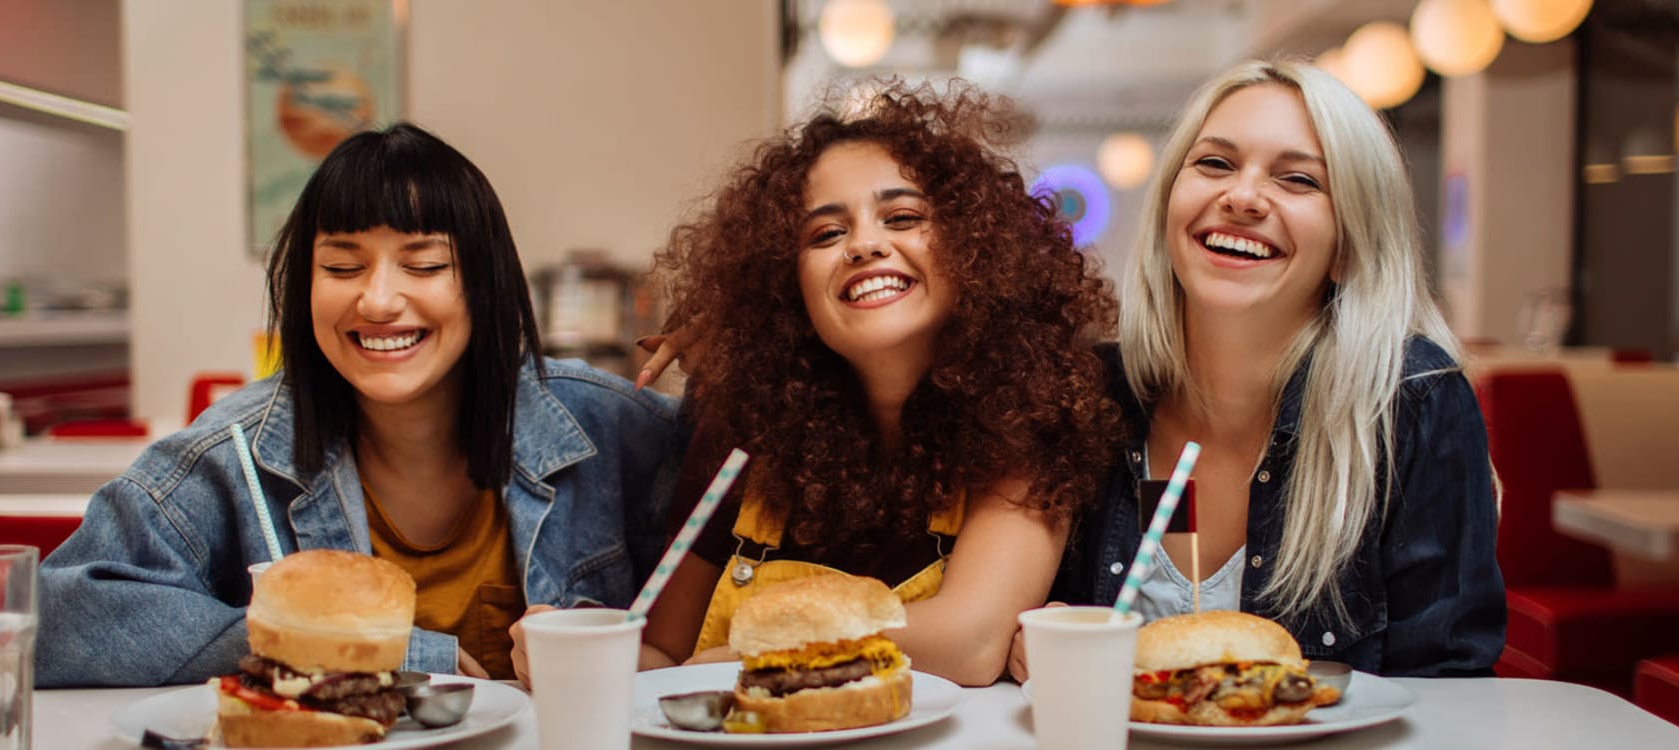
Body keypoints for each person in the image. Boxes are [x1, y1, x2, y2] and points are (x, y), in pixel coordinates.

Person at [35, 123, 685, 686]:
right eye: (342, 268)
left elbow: (768, 508)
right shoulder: (233, 454)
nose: (377, 301)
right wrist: (345, 650)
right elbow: (58, 616)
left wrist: (744, 352)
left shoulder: (604, 424)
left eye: (424, 265)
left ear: (484, 283)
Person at [1021, 59, 1505, 680]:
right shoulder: (1090, 394)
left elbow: (1450, 689)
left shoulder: (1412, 403)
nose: (1242, 197)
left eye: (1299, 179)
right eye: (1215, 164)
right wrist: (1033, 647)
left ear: (1347, 247)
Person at [626, 81, 1122, 687]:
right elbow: (661, 654)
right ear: (787, 285)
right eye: (826, 234)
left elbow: (970, 641)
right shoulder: (741, 431)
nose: (863, 245)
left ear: (975, 251)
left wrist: (766, 655)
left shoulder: (1030, 415)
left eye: (903, 217)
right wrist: (577, 656)